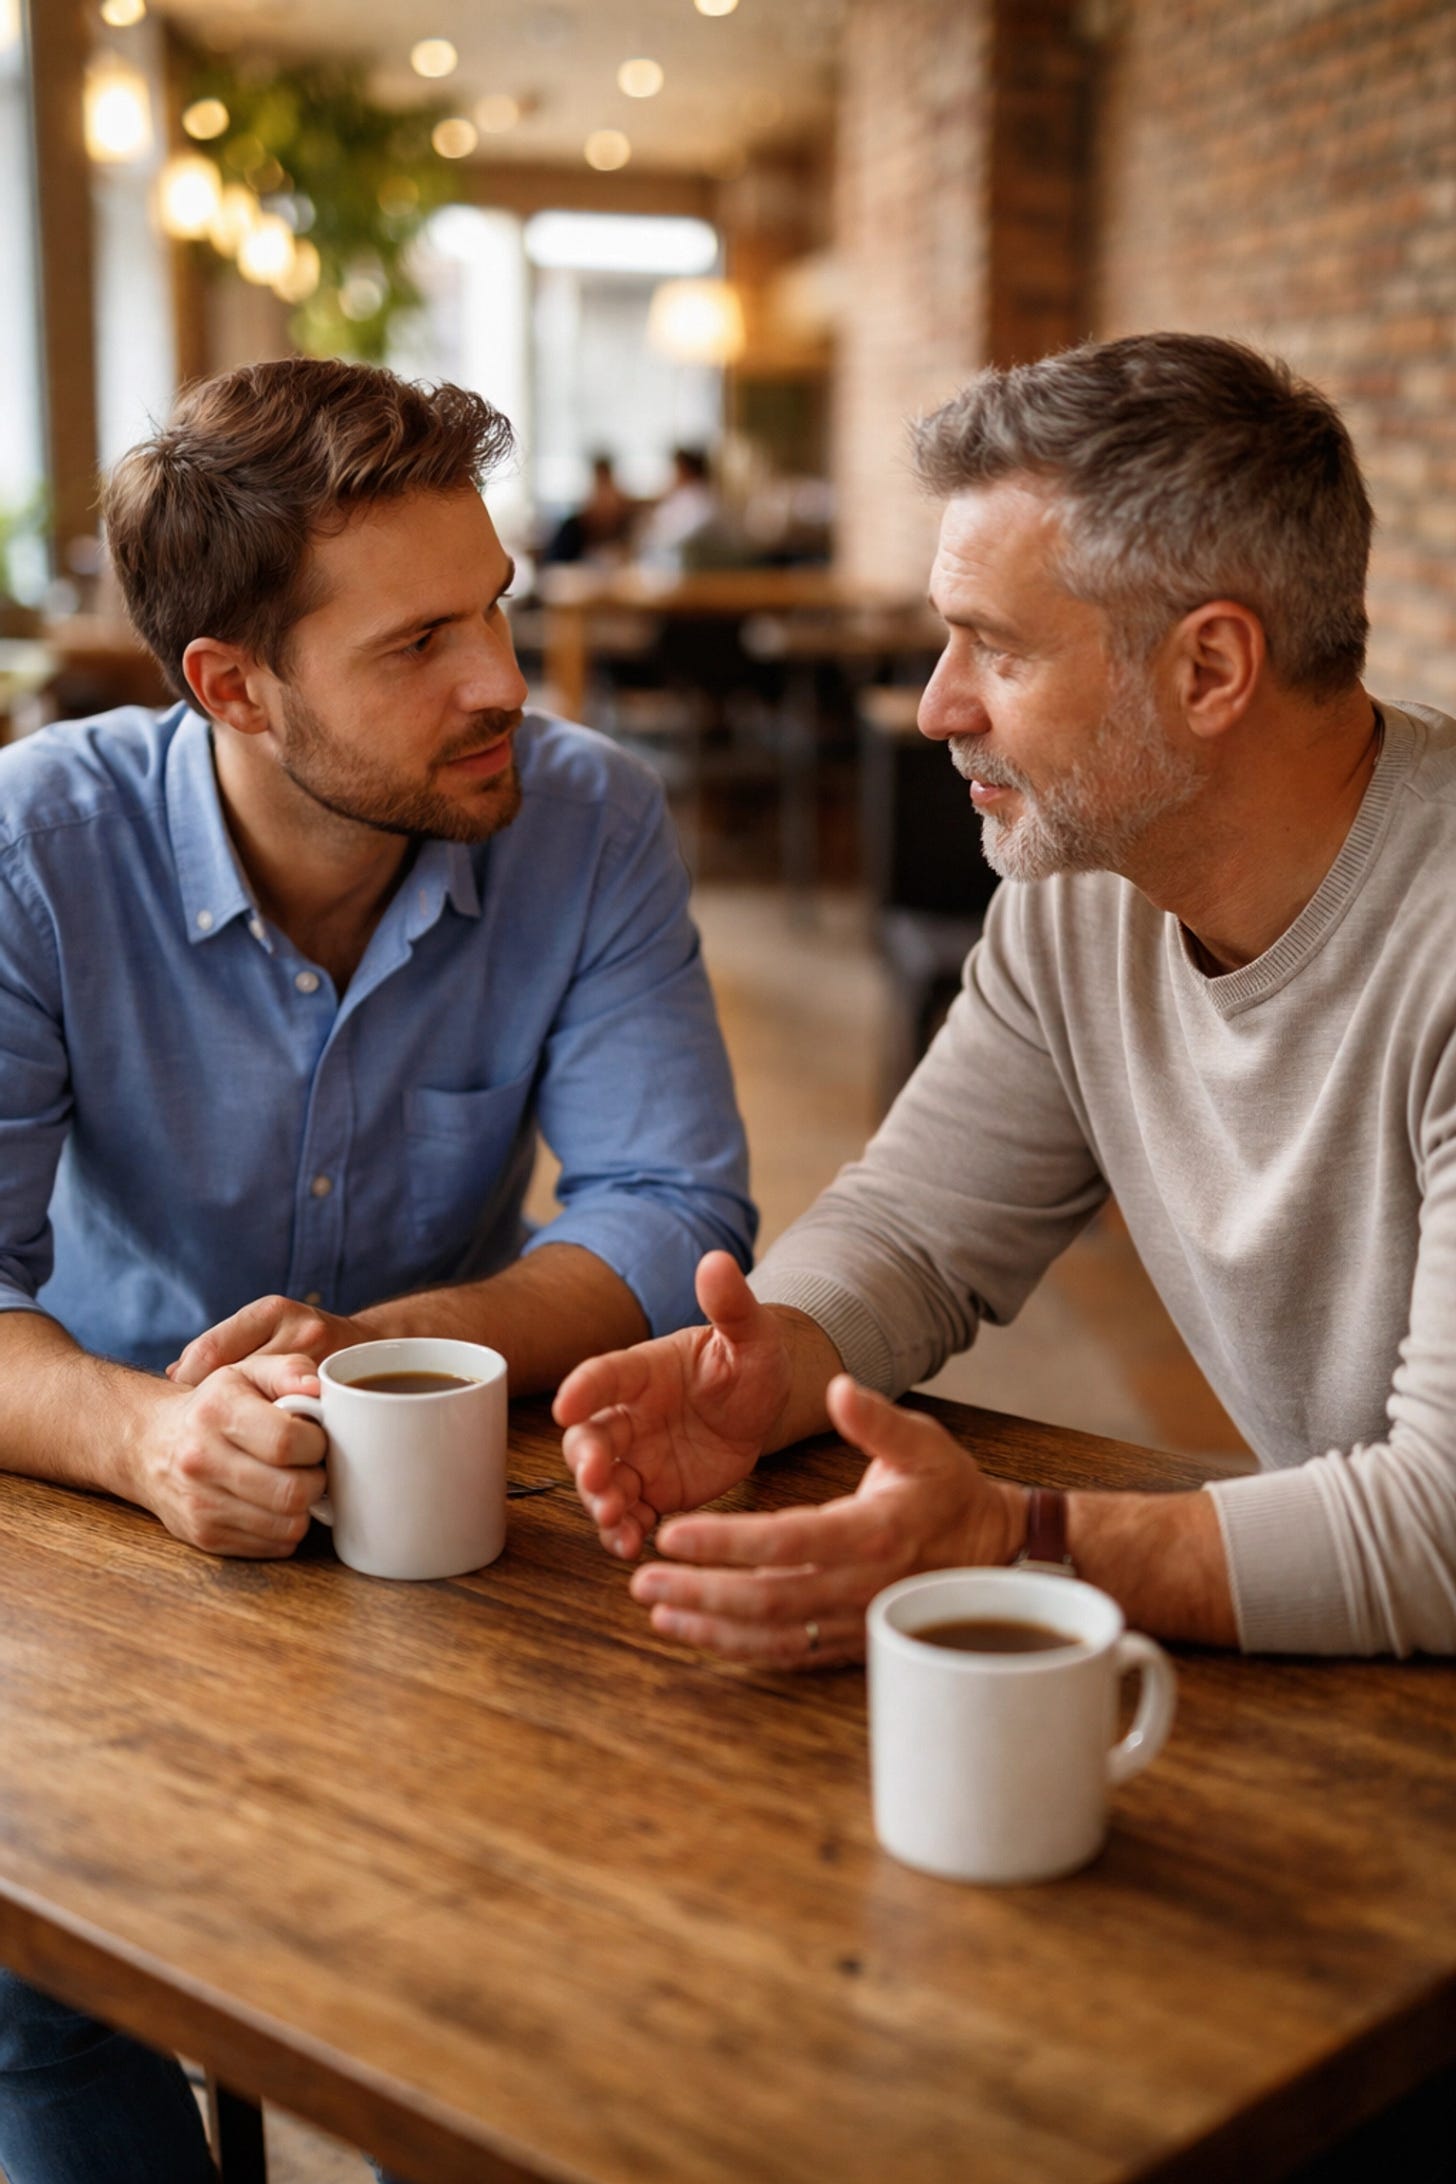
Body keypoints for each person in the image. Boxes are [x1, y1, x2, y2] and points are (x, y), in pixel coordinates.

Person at [0, 357, 753, 2181]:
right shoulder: (37, 839)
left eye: (493, 606)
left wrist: (399, 1346)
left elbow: (676, 1211)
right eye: (418, 641)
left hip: (464, 1516)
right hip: (95, 1516)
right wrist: (147, 1435)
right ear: (231, 686)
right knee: (34, 2007)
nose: (502, 677)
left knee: (541, 1999)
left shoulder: (588, 816)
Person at [557, 329, 1456, 1668]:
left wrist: (1013, 1541)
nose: (933, 707)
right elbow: (921, 1226)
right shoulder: (1087, 884)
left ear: (1209, 670)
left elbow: (1438, 1536)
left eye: (994, 648)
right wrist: (770, 1364)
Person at [539, 450, 635, 565]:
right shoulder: (572, 528)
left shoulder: (626, 527)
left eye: (608, 489)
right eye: (600, 489)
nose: (604, 499)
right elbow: (551, 567)